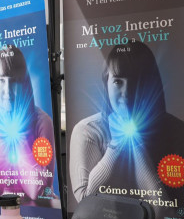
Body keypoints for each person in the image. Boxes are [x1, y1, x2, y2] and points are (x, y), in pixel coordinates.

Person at [69, 41, 184, 203]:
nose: (127, 92)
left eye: (136, 81)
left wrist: (134, 141)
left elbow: (164, 211)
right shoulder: (88, 131)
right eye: (117, 81)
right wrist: (116, 144)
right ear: (106, 82)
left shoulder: (177, 130)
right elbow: (85, 201)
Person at [0, 45, 55, 201]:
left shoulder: (43, 122)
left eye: (14, 81)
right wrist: (4, 137)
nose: (7, 89)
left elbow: (39, 190)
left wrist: (21, 133)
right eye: (1, 80)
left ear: (25, 83)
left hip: (38, 215)